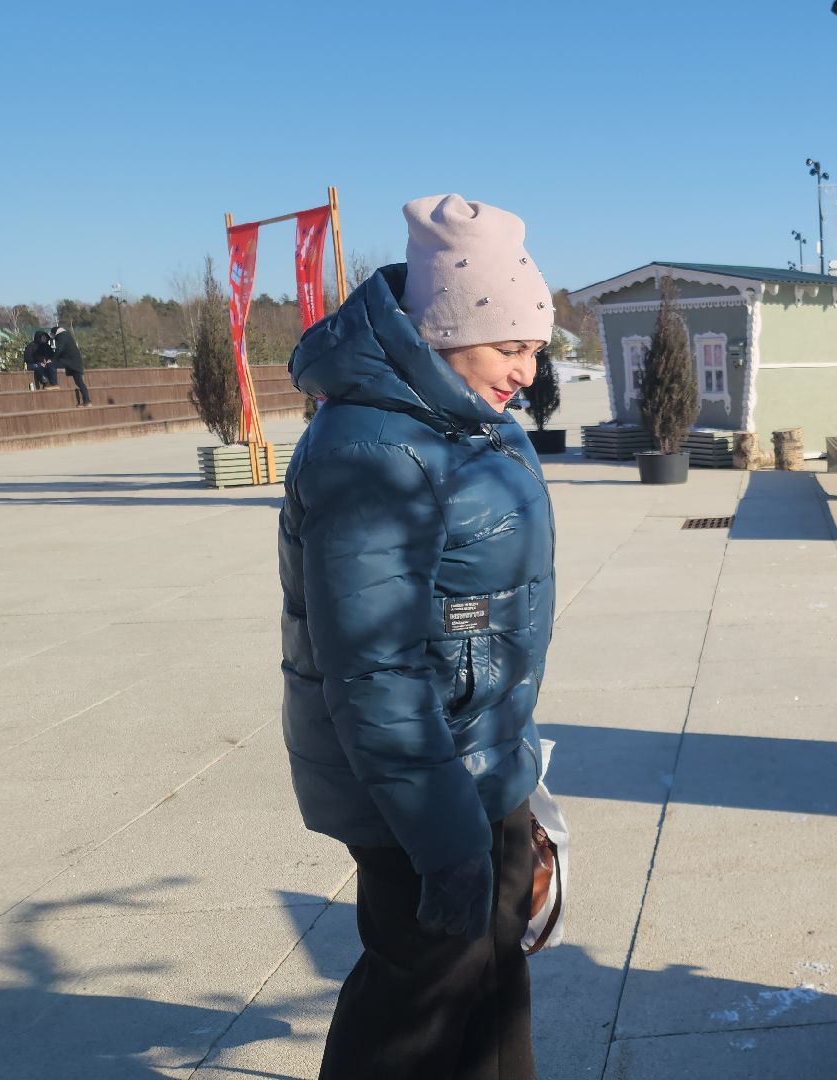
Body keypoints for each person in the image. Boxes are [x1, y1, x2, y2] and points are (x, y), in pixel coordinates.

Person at [279, 194, 555, 1080]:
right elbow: (376, 675)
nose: (527, 371)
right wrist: (445, 843)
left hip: (482, 763)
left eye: (537, 349)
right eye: (510, 346)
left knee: (491, 976)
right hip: (417, 795)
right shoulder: (370, 451)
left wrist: (519, 778)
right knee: (420, 1000)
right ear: (442, 329)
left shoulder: (469, 421)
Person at [48, 326, 90, 405]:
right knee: (79, 382)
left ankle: (54, 383)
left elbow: (59, 349)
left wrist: (53, 358)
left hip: (70, 361)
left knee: (51, 364)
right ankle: (87, 401)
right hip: (75, 362)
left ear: (55, 333)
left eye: (53, 335)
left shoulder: (62, 336)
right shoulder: (66, 335)